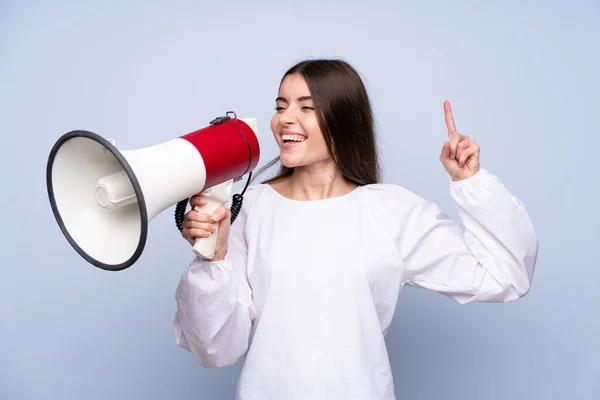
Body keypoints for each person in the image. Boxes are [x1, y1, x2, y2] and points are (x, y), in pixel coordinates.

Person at [173, 59, 538, 400]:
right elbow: (215, 348)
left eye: (306, 107)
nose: (286, 119)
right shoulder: (249, 209)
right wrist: (213, 257)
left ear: (343, 119)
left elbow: (504, 276)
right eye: (281, 105)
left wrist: (471, 182)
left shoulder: (391, 210)